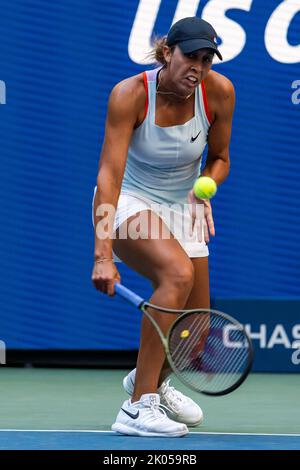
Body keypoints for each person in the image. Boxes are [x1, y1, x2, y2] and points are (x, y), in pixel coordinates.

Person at [92, 17, 235, 437]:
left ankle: (147, 379)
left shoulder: (220, 92)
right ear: (167, 52)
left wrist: (205, 187)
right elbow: (109, 175)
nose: (199, 67)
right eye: (191, 56)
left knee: (197, 330)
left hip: (183, 202)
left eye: (207, 59)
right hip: (128, 201)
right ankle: (137, 408)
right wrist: (103, 254)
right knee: (176, 274)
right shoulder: (129, 94)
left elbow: (221, 157)